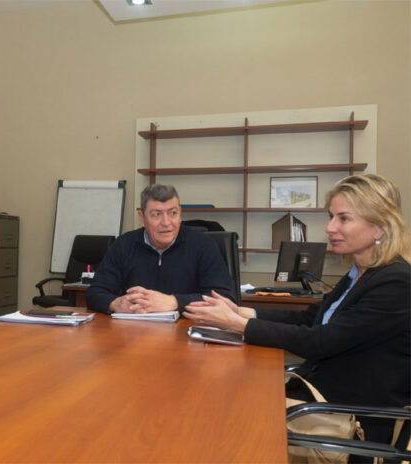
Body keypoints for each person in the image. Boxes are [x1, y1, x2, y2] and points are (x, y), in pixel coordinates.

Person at [185, 174, 410, 448]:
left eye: (343, 218)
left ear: (380, 228)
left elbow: (321, 342)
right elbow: (311, 319)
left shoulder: (396, 283)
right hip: (319, 397)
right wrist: (245, 313)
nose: (329, 227)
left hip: (352, 421)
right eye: (331, 217)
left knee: (226, 416)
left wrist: (238, 325)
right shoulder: (359, 273)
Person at [86, 183, 235, 314]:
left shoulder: (203, 245)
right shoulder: (124, 244)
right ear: (142, 217)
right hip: (135, 330)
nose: (166, 222)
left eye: (172, 213)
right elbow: (95, 292)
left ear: (180, 214)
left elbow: (224, 299)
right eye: (156, 214)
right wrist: (115, 304)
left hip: (186, 330)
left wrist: (174, 302)